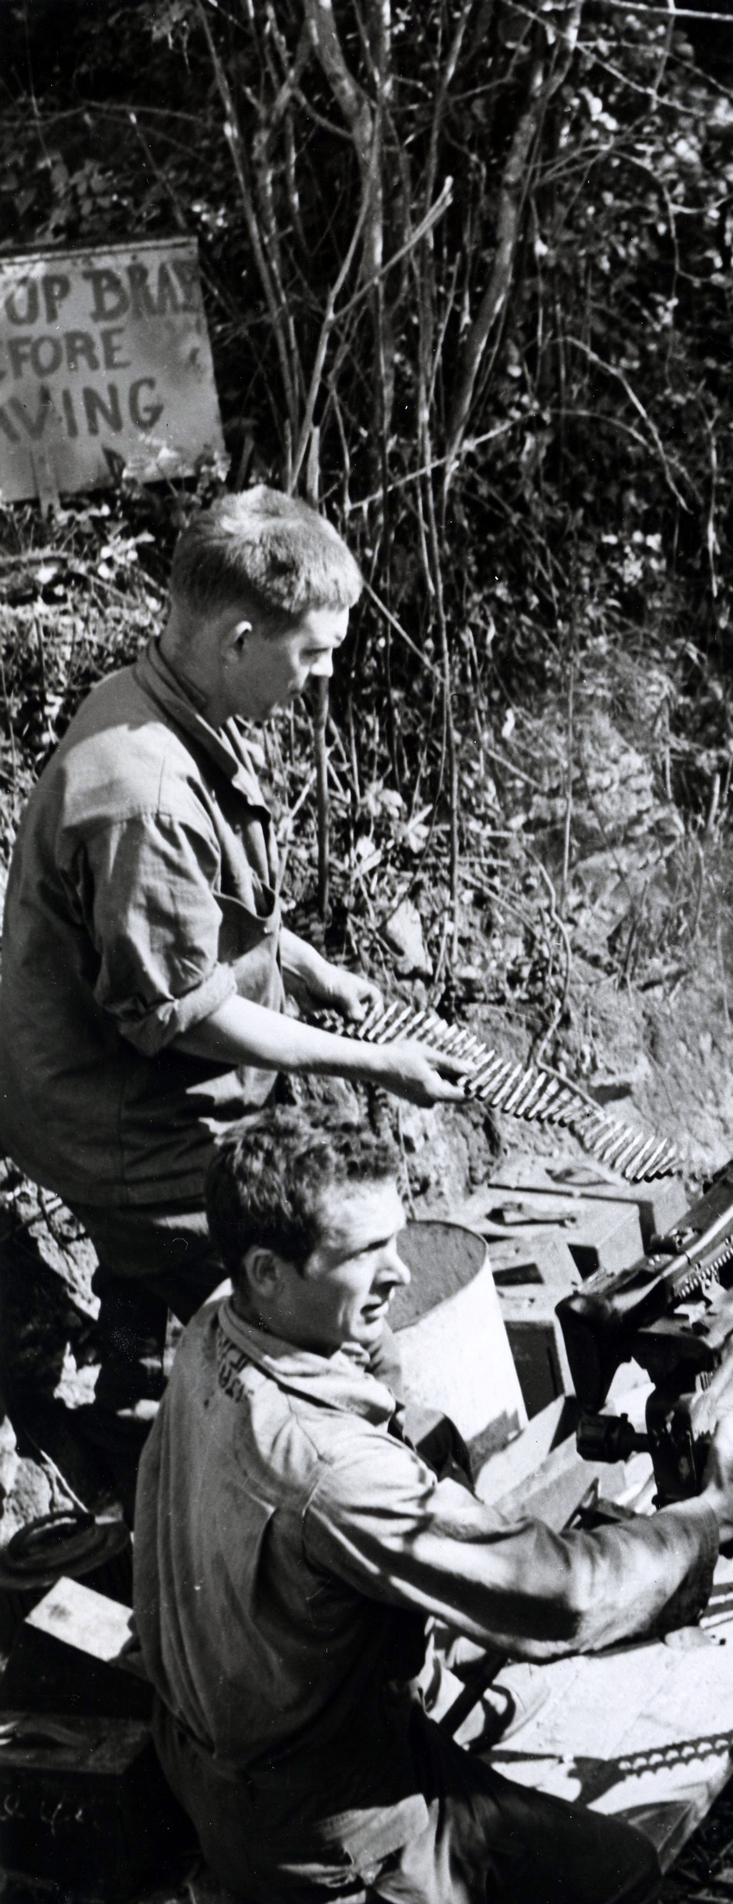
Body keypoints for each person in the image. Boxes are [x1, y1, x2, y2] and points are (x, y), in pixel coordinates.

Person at [134, 1106, 733, 1904]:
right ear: (270, 1271)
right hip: (330, 1830)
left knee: (612, 1863)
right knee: (620, 1883)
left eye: (396, 1238)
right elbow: (561, 1595)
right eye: (368, 1252)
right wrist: (715, 1514)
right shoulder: (332, 1473)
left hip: (247, 1752)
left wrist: (370, 1352)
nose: (402, 1273)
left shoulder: (216, 1321)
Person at [0, 487, 468, 1479]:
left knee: (194, 1310)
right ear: (242, 636)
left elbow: (208, 921)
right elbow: (191, 1015)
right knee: (313, 1319)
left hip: (131, 1088)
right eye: (313, 652)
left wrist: (303, 963)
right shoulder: (144, 788)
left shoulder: (179, 700)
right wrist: (378, 1061)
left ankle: (146, 1387)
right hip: (123, 1121)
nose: (326, 673)